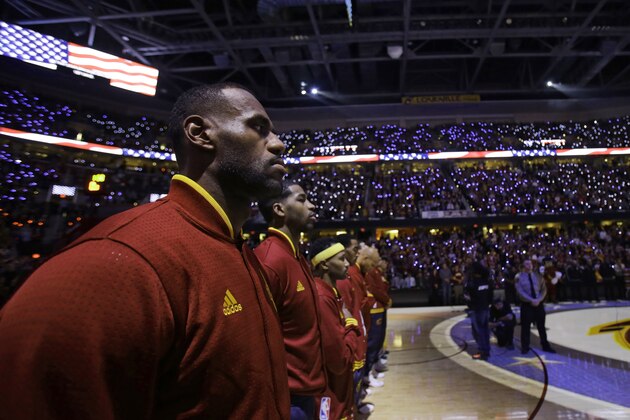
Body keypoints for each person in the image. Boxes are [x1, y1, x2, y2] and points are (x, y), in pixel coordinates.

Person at [0, 83, 291, 419]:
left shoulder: (237, 250)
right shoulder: (120, 260)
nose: (279, 143)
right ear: (199, 133)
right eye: (258, 127)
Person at [255, 182, 326, 419]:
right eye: (302, 199)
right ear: (279, 209)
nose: (312, 205)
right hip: (287, 398)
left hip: (307, 389)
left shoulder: (296, 256)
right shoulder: (269, 261)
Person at [310, 238, 362, 420]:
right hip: (330, 395)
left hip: (338, 390)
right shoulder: (323, 298)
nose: (347, 263)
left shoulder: (330, 293)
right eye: (341, 259)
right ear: (324, 264)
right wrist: (351, 325)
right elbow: (339, 361)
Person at [515, 259, 556, 355]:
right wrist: (531, 300)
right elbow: (519, 291)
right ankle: (525, 347)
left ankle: (545, 345)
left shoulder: (538, 275)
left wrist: (539, 299)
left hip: (538, 303)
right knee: (525, 327)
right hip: (527, 304)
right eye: (527, 263)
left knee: (541, 326)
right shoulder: (518, 276)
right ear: (523, 266)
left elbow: (543, 289)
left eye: (530, 263)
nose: (529, 265)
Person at [464, 260, 493, 360]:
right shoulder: (486, 281)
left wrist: (470, 306)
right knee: (485, 330)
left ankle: (482, 352)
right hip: (485, 309)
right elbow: (490, 295)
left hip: (476, 310)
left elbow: (467, 297)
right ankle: (486, 350)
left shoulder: (471, 283)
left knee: (478, 331)